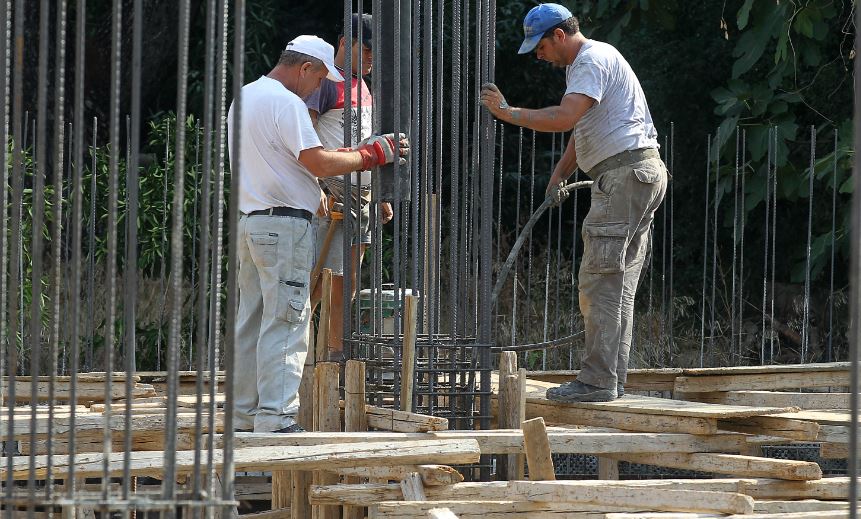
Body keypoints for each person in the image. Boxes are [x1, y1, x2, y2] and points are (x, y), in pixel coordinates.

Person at [480, 3, 667, 402]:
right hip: (636, 173)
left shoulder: (590, 59)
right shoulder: (590, 63)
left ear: (560, 35)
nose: (538, 55)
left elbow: (565, 117)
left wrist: (507, 112)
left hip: (623, 178)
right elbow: (582, 125)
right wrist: (561, 173)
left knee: (599, 281)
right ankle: (610, 380)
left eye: (541, 46)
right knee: (616, 285)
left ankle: (597, 381)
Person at [228, 35, 409, 432]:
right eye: (320, 78)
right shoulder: (287, 103)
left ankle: (243, 417)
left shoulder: (244, 96)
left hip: (251, 223)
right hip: (285, 226)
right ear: (305, 68)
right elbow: (319, 162)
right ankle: (276, 419)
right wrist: (373, 153)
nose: (319, 89)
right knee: (288, 321)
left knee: (252, 321)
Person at [305, 13, 393, 363]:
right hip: (333, 194)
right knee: (318, 281)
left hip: (363, 198)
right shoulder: (325, 82)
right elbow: (305, 137)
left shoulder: (363, 85)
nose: (372, 59)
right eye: (367, 51)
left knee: (348, 283)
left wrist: (380, 194)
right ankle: (293, 355)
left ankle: (335, 356)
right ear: (346, 43)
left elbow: (366, 143)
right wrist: (315, 188)